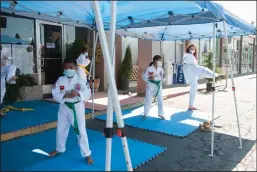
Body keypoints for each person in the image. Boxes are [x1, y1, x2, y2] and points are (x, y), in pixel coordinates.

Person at [49, 58, 94, 165]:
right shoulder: (60, 80)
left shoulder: (80, 80)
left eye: (71, 67)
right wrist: (65, 95)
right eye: (66, 68)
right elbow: (55, 93)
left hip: (77, 108)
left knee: (81, 132)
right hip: (64, 107)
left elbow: (88, 93)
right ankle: (59, 148)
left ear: (75, 68)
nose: (69, 69)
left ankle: (87, 154)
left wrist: (78, 94)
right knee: (61, 129)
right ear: (64, 69)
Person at [182, 44, 219, 110]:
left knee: (194, 88)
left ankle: (190, 105)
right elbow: (189, 63)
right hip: (190, 69)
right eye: (191, 48)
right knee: (204, 70)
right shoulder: (187, 55)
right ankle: (214, 75)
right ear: (188, 48)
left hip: (190, 70)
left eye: (194, 49)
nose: (193, 50)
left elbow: (193, 64)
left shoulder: (191, 56)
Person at [142, 55, 165, 120]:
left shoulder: (161, 69)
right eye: (159, 60)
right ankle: (145, 114)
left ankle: (161, 114)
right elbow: (143, 76)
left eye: (161, 61)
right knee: (148, 100)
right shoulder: (149, 68)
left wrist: (163, 76)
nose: (160, 62)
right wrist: (149, 78)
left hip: (158, 85)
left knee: (160, 100)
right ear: (155, 60)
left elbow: (162, 77)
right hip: (151, 85)